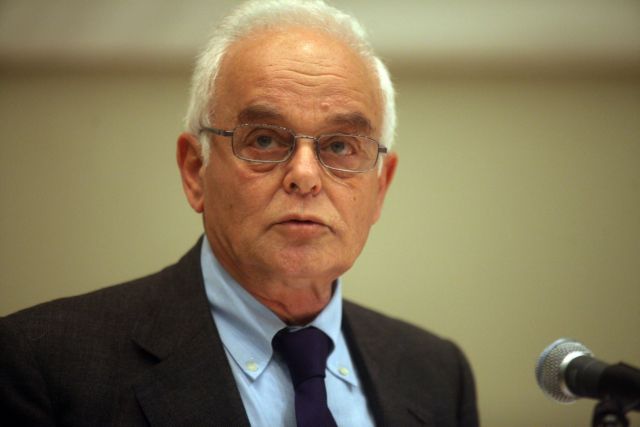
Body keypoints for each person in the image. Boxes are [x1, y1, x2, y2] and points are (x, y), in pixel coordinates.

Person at [0, 1, 479, 426]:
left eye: (339, 146)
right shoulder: (42, 363)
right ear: (195, 171)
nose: (305, 175)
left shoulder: (438, 374)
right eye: (265, 140)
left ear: (380, 189)